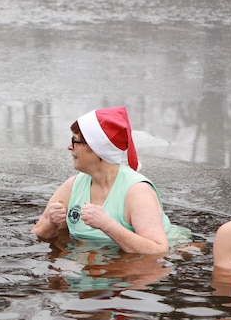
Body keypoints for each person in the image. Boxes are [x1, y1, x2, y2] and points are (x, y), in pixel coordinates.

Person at [32, 106, 190, 253]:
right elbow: (37, 232)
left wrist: (107, 225)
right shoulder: (73, 186)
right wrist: (51, 224)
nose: (69, 147)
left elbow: (159, 249)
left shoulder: (137, 192)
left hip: (163, 256)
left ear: (97, 148)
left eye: (75, 141)